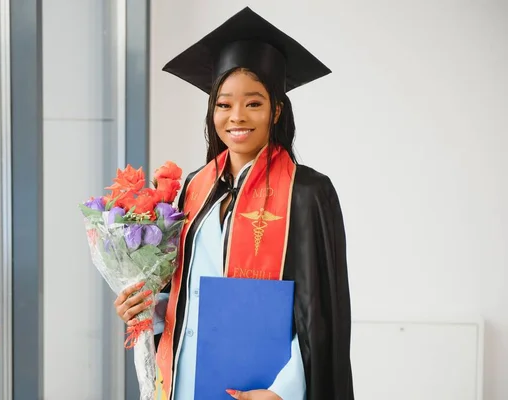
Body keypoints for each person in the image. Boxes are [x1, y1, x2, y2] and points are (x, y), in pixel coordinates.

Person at [114, 7, 354, 400]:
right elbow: (189, 291)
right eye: (223, 104)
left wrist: (282, 391)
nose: (236, 116)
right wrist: (145, 309)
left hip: (263, 391)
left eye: (254, 103)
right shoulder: (195, 186)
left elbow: (320, 316)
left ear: (276, 109)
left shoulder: (307, 192)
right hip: (184, 379)